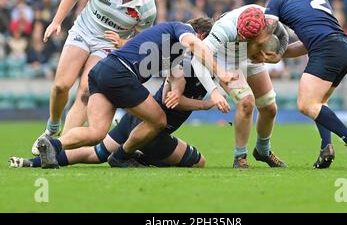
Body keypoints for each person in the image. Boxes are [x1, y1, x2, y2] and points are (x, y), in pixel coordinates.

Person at [36, 18, 235, 168]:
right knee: (158, 120)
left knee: (96, 133)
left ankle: (52, 145)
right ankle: (123, 156)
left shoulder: (173, 53)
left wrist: (174, 89)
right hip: (120, 73)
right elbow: (194, 45)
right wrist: (220, 76)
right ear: (202, 35)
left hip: (101, 71)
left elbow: (170, 71)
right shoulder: (183, 30)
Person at [31, 0, 157, 156]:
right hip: (83, 32)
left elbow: (141, 40)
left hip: (107, 46)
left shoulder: (147, 7)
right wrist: (56, 22)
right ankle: (52, 127)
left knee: (85, 92)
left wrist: (122, 43)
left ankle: (59, 147)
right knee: (61, 85)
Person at [9, 56, 213, 169]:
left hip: (136, 119)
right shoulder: (184, 66)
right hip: (151, 132)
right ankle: (135, 155)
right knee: (199, 162)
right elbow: (174, 99)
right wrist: (206, 104)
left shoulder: (202, 69)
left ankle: (29, 163)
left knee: (95, 153)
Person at [264, 0, 347, 169]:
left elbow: (265, 33)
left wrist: (256, 52)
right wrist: (280, 55)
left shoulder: (279, 0)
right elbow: (306, 44)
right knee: (319, 103)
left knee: (305, 104)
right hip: (345, 48)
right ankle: (326, 148)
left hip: (327, 50)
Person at [191, 5, 289, 169]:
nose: (243, 40)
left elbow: (284, 36)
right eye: (241, 37)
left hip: (250, 59)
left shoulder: (271, 20)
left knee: (269, 107)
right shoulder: (225, 28)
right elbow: (197, 59)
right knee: (246, 102)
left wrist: (277, 57)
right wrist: (214, 91)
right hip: (226, 61)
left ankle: (263, 151)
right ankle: (240, 157)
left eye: (248, 39)